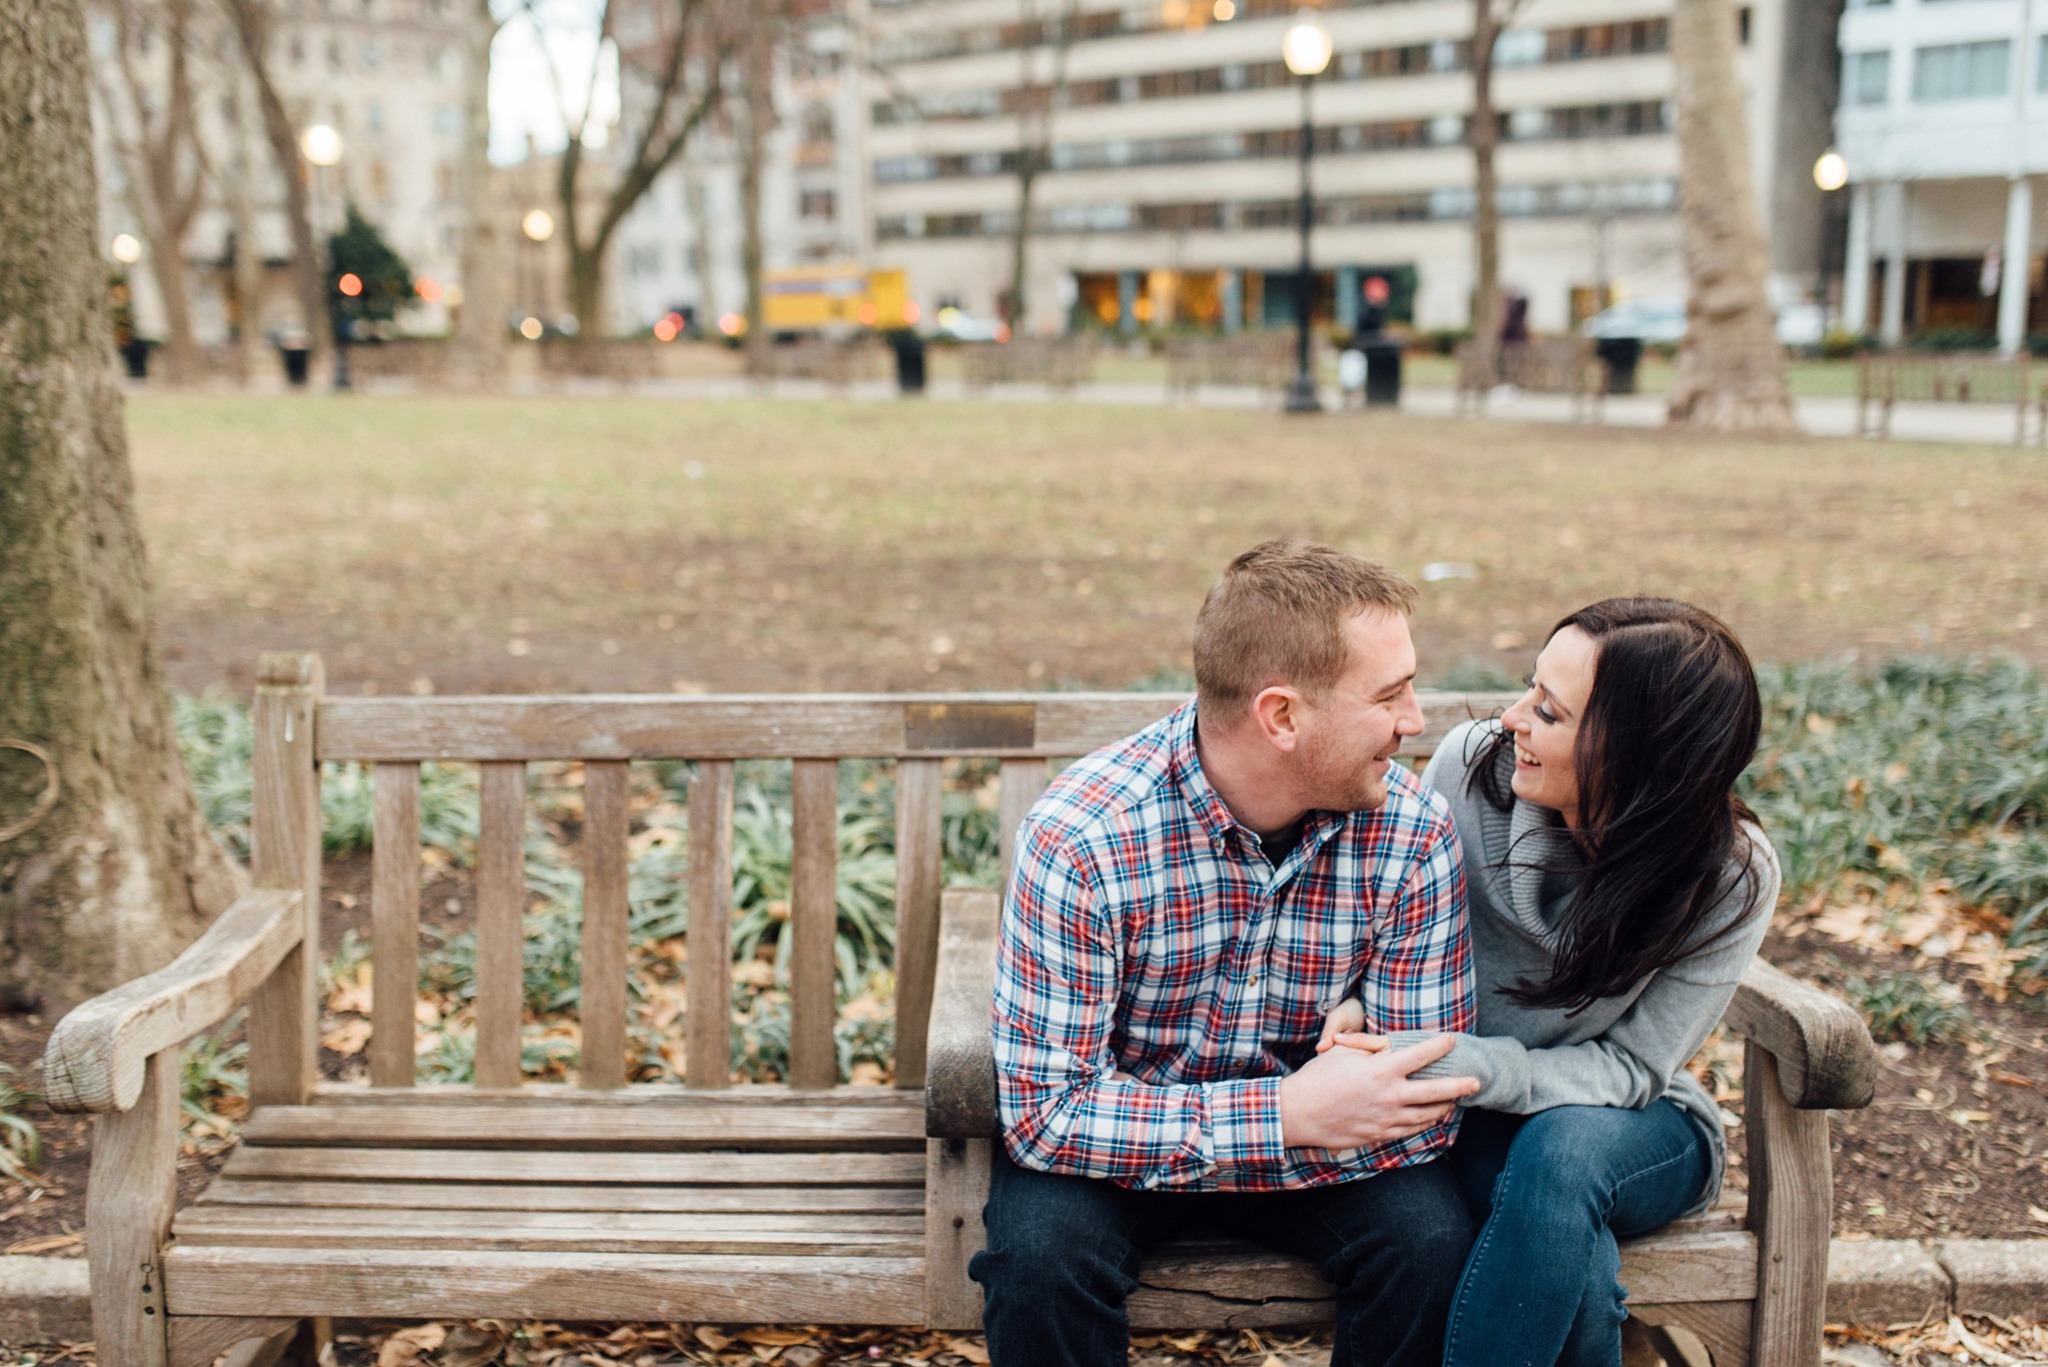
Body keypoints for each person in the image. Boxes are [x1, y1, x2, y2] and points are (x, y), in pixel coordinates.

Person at [970, 540, 1481, 1367]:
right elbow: (1048, 1115)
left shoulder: (1411, 831)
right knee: (1038, 1260)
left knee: (1428, 1241)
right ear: (1281, 716)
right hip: (1124, 1154)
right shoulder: (1085, 840)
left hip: (1286, 1143)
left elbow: (1424, 1101)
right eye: (1390, 694)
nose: (1415, 721)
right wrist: (1282, 1115)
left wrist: (1311, 1115)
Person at [1318, 598, 1779, 1367]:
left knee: (1562, 1153)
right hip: (1476, 1118)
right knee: (1580, 1276)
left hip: (1630, 1124)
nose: (1509, 719)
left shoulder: (1727, 876)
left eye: (1549, 711)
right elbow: (1397, 923)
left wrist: (1465, 1062)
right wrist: (1363, 1002)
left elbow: (1634, 1068)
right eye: (1529, 688)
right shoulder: (1468, 773)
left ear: (1636, 755)